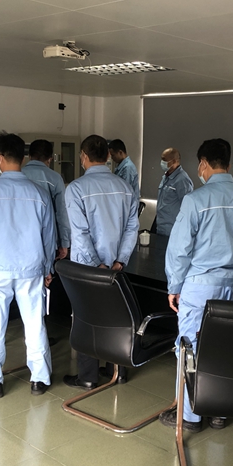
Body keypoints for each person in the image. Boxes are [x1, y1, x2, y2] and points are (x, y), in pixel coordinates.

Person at [159, 138, 233, 433]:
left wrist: (174, 286)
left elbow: (179, 250)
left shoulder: (196, 200)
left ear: (203, 163)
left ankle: (189, 416)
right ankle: (219, 411)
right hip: (231, 284)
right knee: (222, 348)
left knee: (189, 348)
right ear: (228, 163)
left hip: (199, 286)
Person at [0, 132, 56, 399]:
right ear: (23, 158)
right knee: (35, 325)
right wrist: (47, 268)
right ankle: (40, 379)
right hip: (32, 269)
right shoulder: (40, 194)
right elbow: (49, 238)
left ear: (0, 158)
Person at [63, 134, 139, 389]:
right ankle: (117, 370)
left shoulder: (76, 189)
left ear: (83, 157)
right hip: (117, 267)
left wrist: (97, 265)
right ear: (108, 156)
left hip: (88, 268)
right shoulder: (125, 187)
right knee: (117, 316)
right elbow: (132, 228)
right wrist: (120, 260)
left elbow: (80, 233)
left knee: (87, 317)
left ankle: (88, 377)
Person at [21, 139, 70, 260]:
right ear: (50, 159)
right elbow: (61, 213)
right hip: (48, 238)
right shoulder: (55, 178)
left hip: (20, 236)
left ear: (29, 156)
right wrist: (64, 242)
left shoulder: (18, 174)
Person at [155, 147, 193, 236]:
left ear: (174, 161)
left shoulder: (182, 180)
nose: (162, 162)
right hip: (161, 226)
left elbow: (188, 207)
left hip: (173, 230)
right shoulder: (166, 176)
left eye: (165, 160)